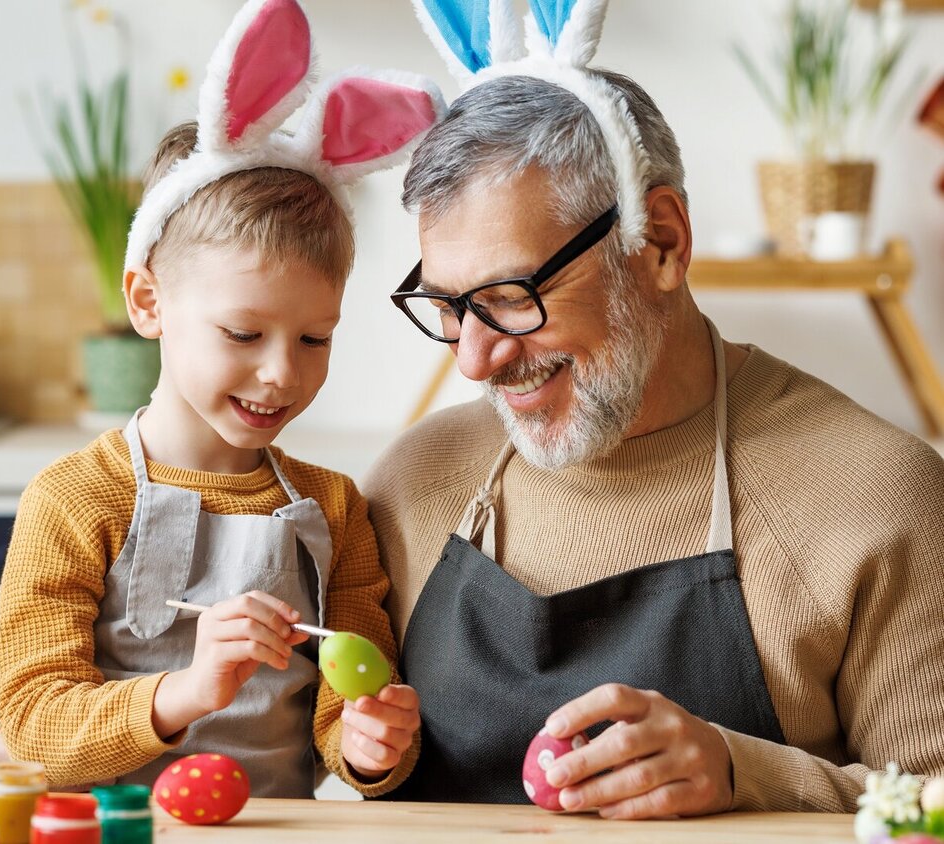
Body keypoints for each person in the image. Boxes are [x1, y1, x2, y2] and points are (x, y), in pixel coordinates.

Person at [364, 0, 944, 819]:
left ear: (661, 241)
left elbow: (936, 804)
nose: (474, 359)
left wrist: (747, 775)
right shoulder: (409, 484)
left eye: (511, 297)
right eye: (451, 307)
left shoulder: (877, 493)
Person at [0, 0, 443, 798]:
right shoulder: (72, 501)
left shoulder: (334, 509)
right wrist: (188, 692)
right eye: (242, 334)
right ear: (148, 302)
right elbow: (32, 725)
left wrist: (373, 747)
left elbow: (347, 725)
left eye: (314, 339)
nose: (281, 374)